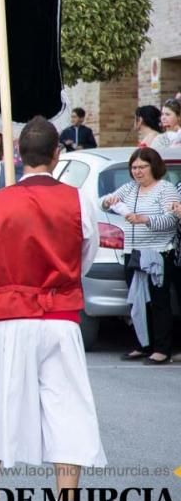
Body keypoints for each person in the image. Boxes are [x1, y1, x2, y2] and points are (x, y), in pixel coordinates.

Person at [0, 117, 106, 501]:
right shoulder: (79, 201)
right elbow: (85, 255)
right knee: (68, 410)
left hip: (10, 316)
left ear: (19, 155)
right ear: (57, 155)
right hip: (60, 318)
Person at [101, 147, 179, 365]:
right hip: (133, 252)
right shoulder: (130, 188)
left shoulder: (166, 189)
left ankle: (162, 348)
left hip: (158, 252)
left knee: (159, 301)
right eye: (134, 167)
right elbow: (107, 199)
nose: (137, 172)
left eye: (142, 167)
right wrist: (108, 202)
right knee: (137, 301)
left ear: (153, 166)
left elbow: (171, 220)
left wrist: (145, 219)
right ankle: (143, 345)